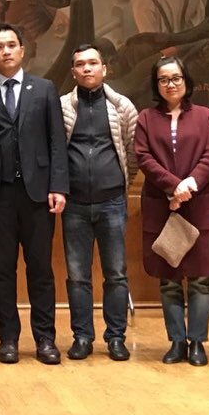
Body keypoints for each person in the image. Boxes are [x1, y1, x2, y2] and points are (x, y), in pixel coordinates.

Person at [0, 22, 68, 365]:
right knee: (1, 271)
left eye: (11, 45)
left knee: (41, 270)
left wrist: (58, 186)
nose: (5, 51)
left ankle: (45, 338)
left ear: (22, 50)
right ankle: (8, 338)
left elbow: (56, 142)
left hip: (38, 195)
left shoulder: (45, 89)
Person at [133, 55, 209, 366]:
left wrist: (189, 185)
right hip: (162, 205)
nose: (170, 84)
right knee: (169, 278)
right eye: (163, 79)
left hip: (198, 204)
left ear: (186, 80)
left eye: (176, 78)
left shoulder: (204, 115)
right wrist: (173, 186)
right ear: (156, 84)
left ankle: (197, 342)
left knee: (199, 278)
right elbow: (144, 157)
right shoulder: (146, 118)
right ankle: (176, 341)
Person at [59, 44, 139, 362]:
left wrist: (120, 184)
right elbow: (56, 151)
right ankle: (82, 337)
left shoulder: (123, 107)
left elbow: (132, 151)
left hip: (112, 203)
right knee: (77, 275)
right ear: (73, 72)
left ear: (104, 69)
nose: (87, 68)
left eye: (93, 63)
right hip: (74, 205)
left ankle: (116, 337)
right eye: (81, 64)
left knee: (116, 273)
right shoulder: (63, 107)